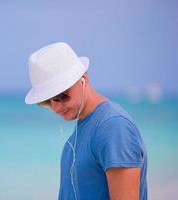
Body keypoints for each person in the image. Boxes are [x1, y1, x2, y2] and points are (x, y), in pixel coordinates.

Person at [25, 42, 147, 200]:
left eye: (61, 96)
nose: (55, 107)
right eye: (47, 101)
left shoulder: (114, 127)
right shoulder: (82, 131)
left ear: (83, 78)